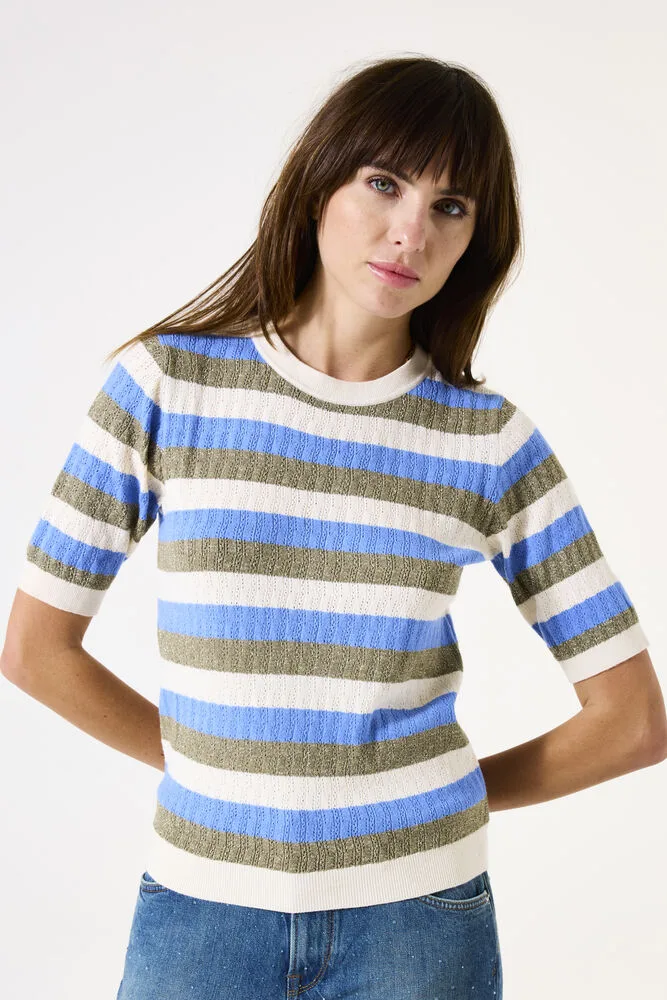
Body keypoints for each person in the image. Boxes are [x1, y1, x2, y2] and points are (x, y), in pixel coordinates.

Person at [2, 55, 665, 1000]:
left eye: (450, 206)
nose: (410, 232)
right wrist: (222, 776)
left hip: (417, 926)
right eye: (384, 183)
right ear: (318, 184)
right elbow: (35, 651)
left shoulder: (488, 442)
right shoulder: (165, 386)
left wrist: (430, 801)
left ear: (474, 240)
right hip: (200, 912)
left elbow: (631, 723)